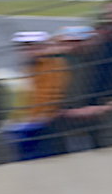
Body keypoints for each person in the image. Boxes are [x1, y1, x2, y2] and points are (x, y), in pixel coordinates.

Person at [7, 31, 70, 159]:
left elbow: (51, 92)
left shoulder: (52, 64)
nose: (27, 51)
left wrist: (41, 115)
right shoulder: (30, 66)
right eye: (24, 47)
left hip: (44, 122)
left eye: (31, 46)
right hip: (30, 121)